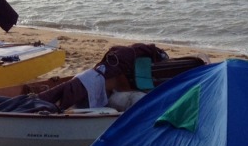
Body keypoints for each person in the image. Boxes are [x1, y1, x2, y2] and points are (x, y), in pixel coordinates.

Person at [36, 43, 169, 111]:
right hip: (88, 84)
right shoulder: (120, 70)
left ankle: (35, 102)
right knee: (57, 100)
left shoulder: (112, 64)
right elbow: (124, 87)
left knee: (54, 95)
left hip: (85, 77)